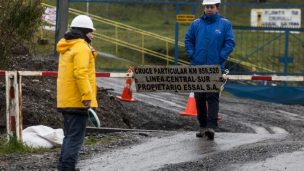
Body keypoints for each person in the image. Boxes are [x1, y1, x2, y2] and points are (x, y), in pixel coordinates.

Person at [185, 0, 235, 140]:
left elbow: (230, 42)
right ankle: (202, 126)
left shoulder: (225, 24)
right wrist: (192, 54)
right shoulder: (196, 24)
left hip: (215, 66)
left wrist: (221, 57)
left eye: (211, 7)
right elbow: (188, 39)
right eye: (206, 7)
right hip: (198, 66)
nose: (208, 9)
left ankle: (211, 127)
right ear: (204, 8)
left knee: (212, 96)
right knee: (199, 97)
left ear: (217, 8)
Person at [56, 15, 98, 171]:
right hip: (77, 100)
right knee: (74, 139)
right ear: (84, 31)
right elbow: (80, 74)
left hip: (66, 99)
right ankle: (67, 168)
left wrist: (91, 53)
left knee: (69, 136)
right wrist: (87, 97)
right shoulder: (81, 47)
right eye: (91, 32)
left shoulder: (68, 46)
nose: (92, 35)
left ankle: (64, 167)